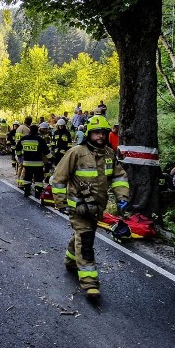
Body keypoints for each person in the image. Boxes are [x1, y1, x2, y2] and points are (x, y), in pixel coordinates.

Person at [51, 115, 129, 299]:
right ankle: (90, 283)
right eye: (96, 133)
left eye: (103, 132)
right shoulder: (77, 152)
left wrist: (122, 196)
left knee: (83, 235)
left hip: (97, 208)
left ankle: (71, 260)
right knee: (86, 240)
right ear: (89, 134)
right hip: (78, 207)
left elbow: (119, 177)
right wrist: (60, 202)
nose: (100, 136)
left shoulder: (110, 154)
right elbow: (59, 178)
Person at [18, 121, 53, 197]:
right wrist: (52, 159)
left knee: (27, 177)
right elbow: (46, 151)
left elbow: (17, 148)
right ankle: (38, 194)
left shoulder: (24, 139)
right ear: (37, 130)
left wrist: (20, 158)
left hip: (27, 163)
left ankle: (26, 192)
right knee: (38, 180)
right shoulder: (39, 139)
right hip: (38, 164)